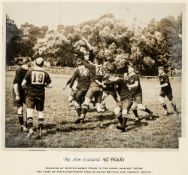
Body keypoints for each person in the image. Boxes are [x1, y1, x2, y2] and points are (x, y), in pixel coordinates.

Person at [22, 57, 52, 137]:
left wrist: (28, 89)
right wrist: (43, 85)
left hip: (30, 95)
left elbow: (23, 84)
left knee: (29, 112)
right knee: (40, 112)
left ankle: (30, 129)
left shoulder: (29, 72)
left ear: (35, 63)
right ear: (43, 64)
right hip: (40, 95)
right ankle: (40, 131)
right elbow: (49, 84)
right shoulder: (45, 73)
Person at [69, 58, 91, 123]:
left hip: (80, 88)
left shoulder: (77, 70)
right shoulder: (88, 70)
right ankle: (82, 116)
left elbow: (72, 80)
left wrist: (70, 87)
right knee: (85, 102)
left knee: (76, 102)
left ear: (77, 64)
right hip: (88, 88)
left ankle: (80, 117)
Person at [13, 57, 31, 132]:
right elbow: (15, 83)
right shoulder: (19, 70)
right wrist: (17, 94)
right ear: (28, 62)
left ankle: (26, 125)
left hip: (26, 92)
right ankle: (22, 126)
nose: (31, 63)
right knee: (20, 109)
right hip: (18, 91)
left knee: (29, 108)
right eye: (31, 62)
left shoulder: (29, 71)